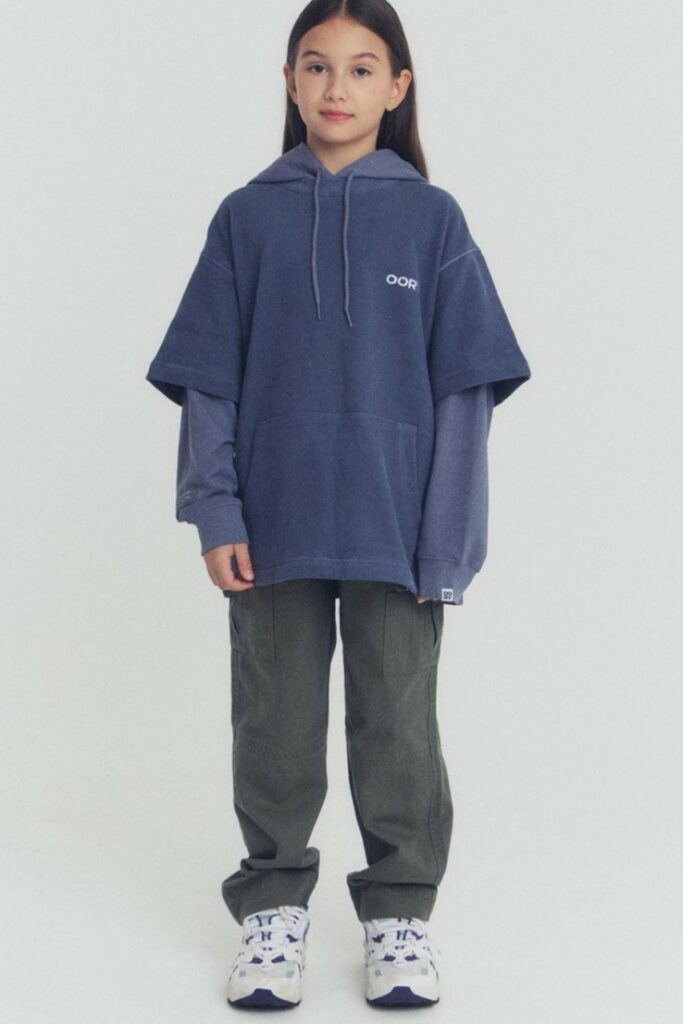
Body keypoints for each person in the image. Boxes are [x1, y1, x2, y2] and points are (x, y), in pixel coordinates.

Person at [145, 0, 531, 1010]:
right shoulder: (245, 218)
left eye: (362, 68)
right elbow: (208, 381)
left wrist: (447, 542)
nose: (335, 87)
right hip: (268, 525)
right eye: (315, 65)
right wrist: (215, 511)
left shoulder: (432, 221)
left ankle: (398, 915)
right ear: (287, 80)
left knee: (397, 722)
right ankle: (272, 908)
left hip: (396, 531)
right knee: (273, 724)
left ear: (397, 87)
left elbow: (464, 392)